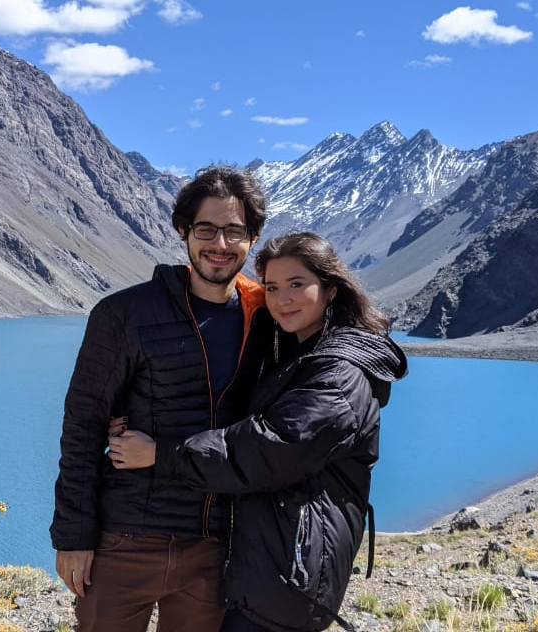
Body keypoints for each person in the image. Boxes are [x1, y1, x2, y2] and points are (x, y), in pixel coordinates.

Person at [108, 232, 408, 632]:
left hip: (288, 579)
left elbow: (267, 448)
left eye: (297, 285)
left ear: (332, 289)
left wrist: (160, 454)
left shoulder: (339, 373)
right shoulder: (300, 351)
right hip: (272, 569)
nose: (282, 299)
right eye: (271, 287)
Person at [50, 165, 271, 631]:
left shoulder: (266, 320)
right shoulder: (124, 314)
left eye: (234, 231)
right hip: (124, 541)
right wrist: (74, 535)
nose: (220, 244)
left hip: (212, 545)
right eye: (206, 229)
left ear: (252, 238)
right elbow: (84, 424)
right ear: (183, 232)